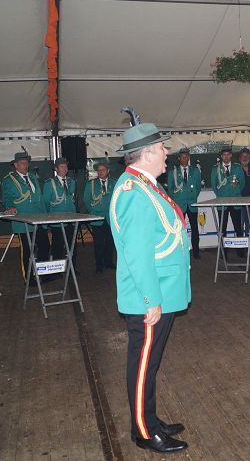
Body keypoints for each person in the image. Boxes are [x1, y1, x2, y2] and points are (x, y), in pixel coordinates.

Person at [109, 113, 190, 454]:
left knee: (150, 363)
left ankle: (149, 419)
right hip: (150, 295)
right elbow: (137, 253)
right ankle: (144, 432)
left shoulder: (145, 185)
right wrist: (150, 299)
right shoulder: (134, 192)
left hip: (161, 289)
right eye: (161, 148)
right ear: (146, 154)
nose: (166, 153)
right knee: (143, 365)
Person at [2, 151, 50, 282]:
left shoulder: (33, 177)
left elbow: (39, 198)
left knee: (44, 246)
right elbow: (7, 198)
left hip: (39, 219)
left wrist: (45, 216)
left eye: (27, 163)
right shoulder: (9, 180)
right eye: (22, 163)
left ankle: (44, 275)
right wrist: (10, 207)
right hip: (23, 220)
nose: (25, 165)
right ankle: (29, 278)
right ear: (15, 165)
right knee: (28, 250)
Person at [167, 148, 202, 259]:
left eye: (186, 157)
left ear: (188, 158)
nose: (185, 159)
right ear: (179, 158)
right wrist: (177, 199)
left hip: (192, 204)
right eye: (182, 157)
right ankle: (179, 252)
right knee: (179, 229)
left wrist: (193, 196)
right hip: (179, 204)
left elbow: (198, 186)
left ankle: (196, 252)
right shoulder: (173, 172)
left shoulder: (195, 171)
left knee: (195, 228)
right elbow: (170, 188)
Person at [42, 157, 78, 267]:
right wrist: (49, 218)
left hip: (71, 220)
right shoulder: (49, 183)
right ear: (56, 169)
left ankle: (72, 268)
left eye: (66, 166)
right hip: (57, 221)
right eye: (62, 166)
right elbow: (46, 202)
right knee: (57, 246)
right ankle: (57, 270)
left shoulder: (72, 182)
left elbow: (72, 200)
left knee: (72, 246)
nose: (65, 168)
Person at [210, 148, 245, 258]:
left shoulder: (237, 167)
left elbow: (242, 183)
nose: (226, 157)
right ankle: (223, 252)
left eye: (228, 154)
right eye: (224, 155)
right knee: (222, 229)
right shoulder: (215, 169)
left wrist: (236, 193)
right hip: (222, 202)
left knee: (238, 227)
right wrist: (221, 195)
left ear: (231, 156)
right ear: (221, 156)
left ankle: (241, 251)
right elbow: (214, 185)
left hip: (235, 201)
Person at [83, 161, 116, 273]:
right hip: (97, 218)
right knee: (99, 243)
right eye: (99, 170)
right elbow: (86, 200)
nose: (100, 172)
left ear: (108, 171)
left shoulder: (114, 183)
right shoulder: (91, 184)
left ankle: (109, 262)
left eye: (103, 170)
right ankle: (99, 265)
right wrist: (93, 212)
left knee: (110, 241)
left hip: (110, 218)